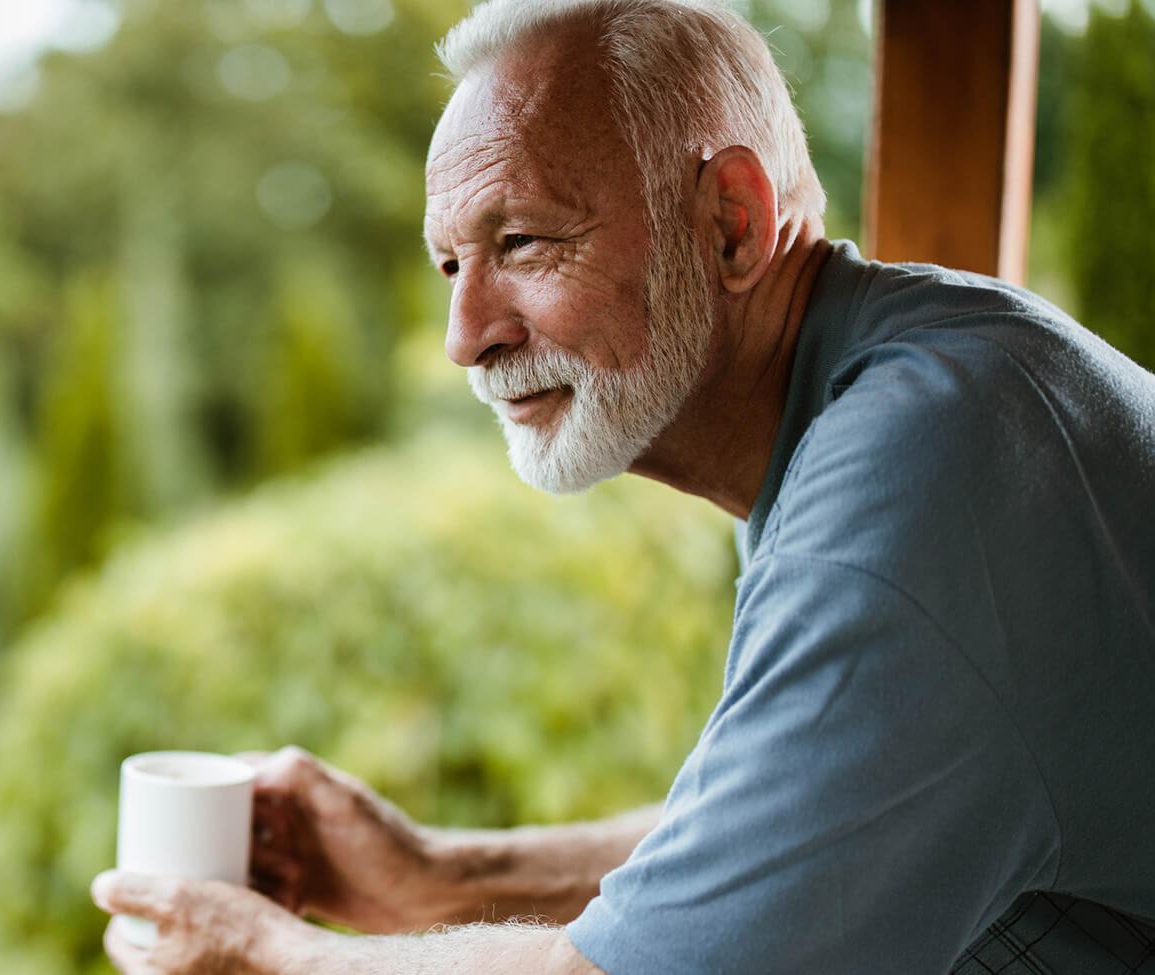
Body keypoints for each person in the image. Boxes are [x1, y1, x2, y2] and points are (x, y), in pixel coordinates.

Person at [89, 0, 1155, 972]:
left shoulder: (923, 476)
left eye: (520, 241)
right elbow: (789, 836)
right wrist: (437, 877)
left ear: (731, 221)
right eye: (452, 265)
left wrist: (276, 959)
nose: (467, 339)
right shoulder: (898, 394)